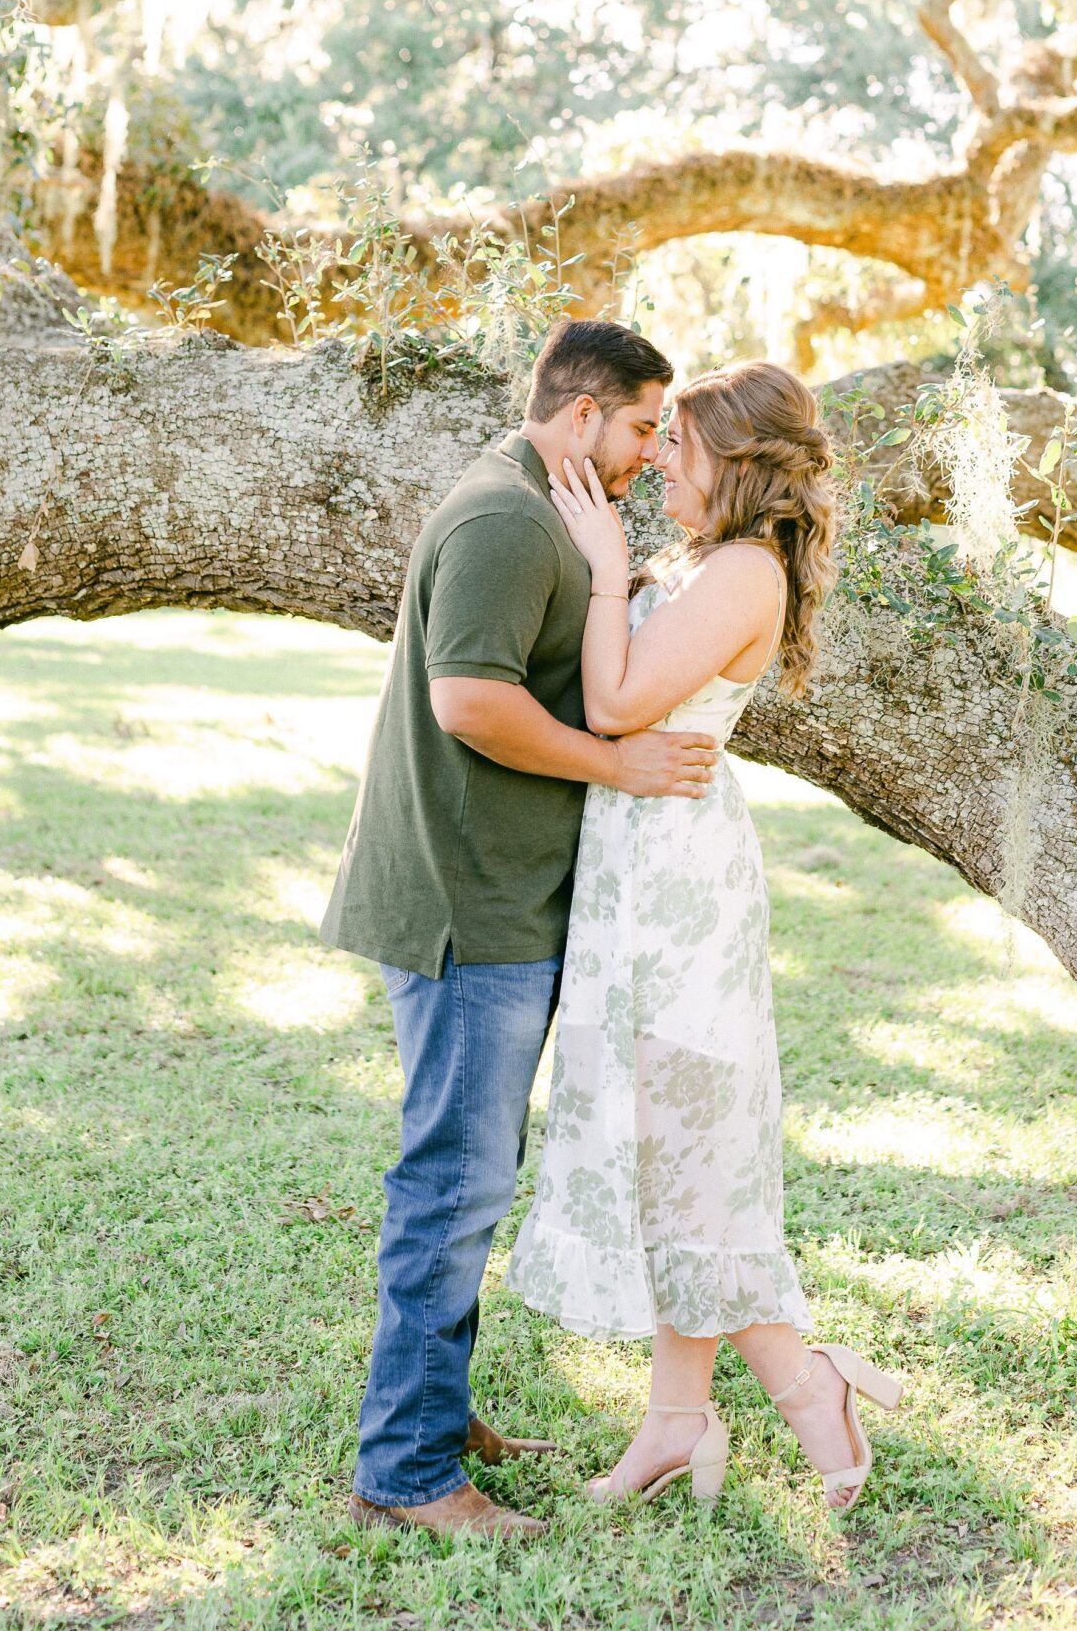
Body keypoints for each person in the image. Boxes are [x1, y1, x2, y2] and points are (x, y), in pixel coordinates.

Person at [320, 317, 720, 1541]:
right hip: (463, 909)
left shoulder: (536, 510)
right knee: (451, 1187)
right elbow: (470, 700)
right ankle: (405, 1472)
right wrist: (618, 763)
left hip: (492, 898)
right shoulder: (505, 517)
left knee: (466, 1179)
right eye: (644, 426)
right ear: (581, 410)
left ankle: (434, 1412)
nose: (653, 453)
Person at [508, 359, 904, 1513]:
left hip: (677, 884)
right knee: (657, 1147)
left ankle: (800, 1379)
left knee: (683, 1149)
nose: (655, 465)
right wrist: (623, 577)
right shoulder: (698, 564)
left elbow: (617, 708)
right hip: (633, 868)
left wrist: (593, 578)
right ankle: (678, 1420)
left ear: (732, 463)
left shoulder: (741, 572)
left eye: (674, 447)